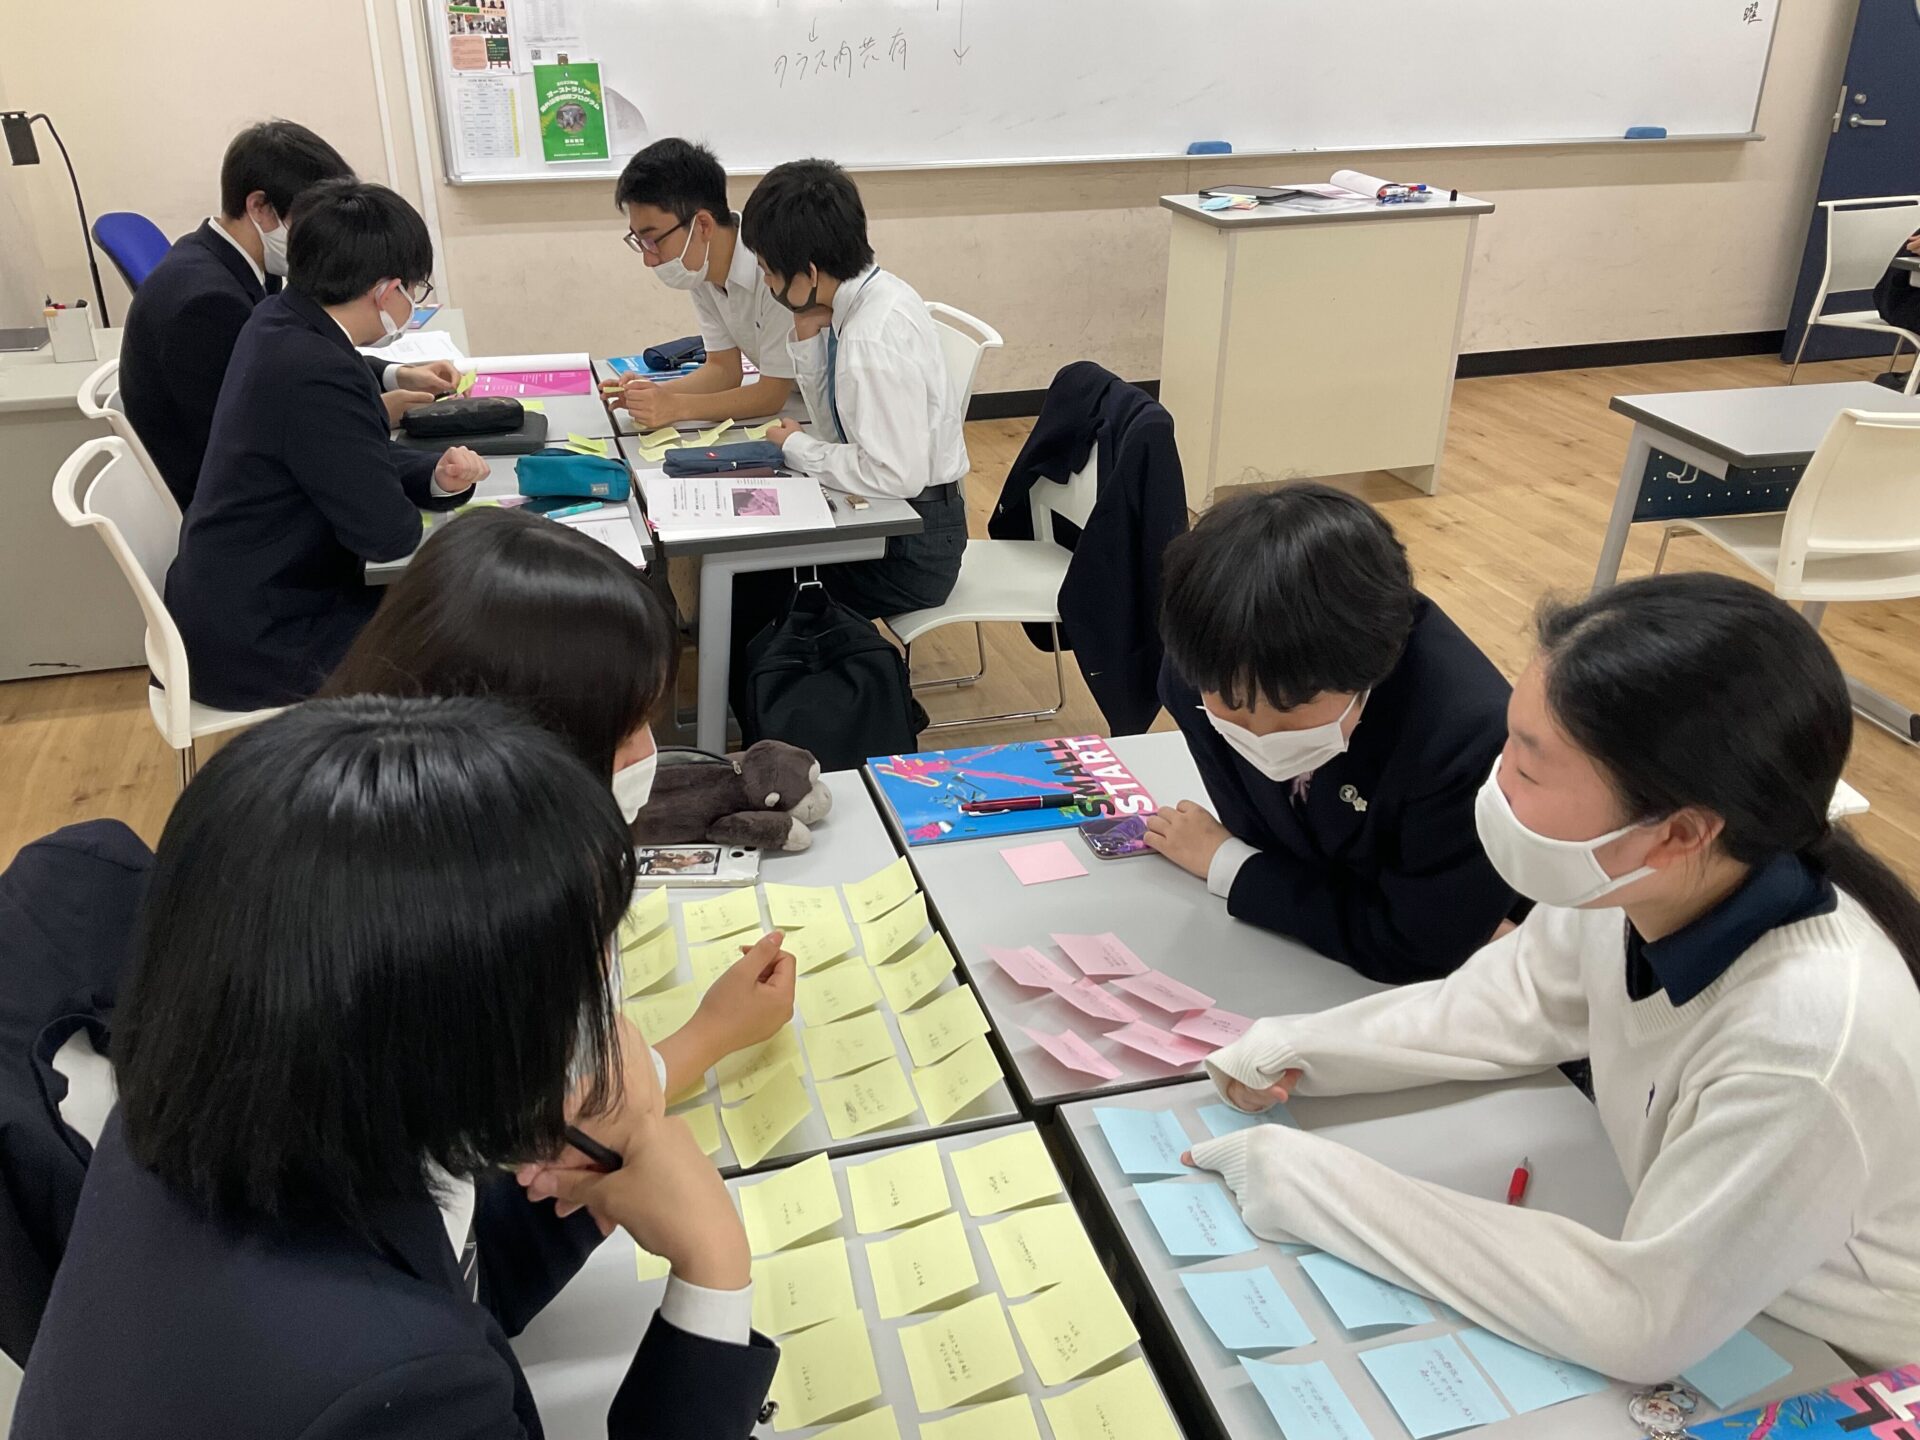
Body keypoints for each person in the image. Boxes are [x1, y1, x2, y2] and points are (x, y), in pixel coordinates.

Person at [1186, 573, 1920, 1376]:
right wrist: (1301, 1047)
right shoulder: (1642, 879)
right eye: (1510, 744)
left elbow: (1637, 1318)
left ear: (1678, 831)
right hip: (1716, 1283)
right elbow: (1518, 996)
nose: (1495, 783)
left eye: (1529, 772)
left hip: (1834, 1361)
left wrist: (1310, 1184)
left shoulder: (1805, 1047)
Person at [12, 697, 780, 1437]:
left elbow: (440, 1272)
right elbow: (412, 1351)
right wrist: (714, 1264)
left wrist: (596, 1176)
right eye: (573, 979)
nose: (594, 1009)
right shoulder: (398, 1385)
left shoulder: (209, 1098)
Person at [322, 506, 798, 1071]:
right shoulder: (480, 935)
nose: (648, 754)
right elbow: (576, 1112)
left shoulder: (382, 811)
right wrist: (714, 1033)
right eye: (622, 732)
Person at [1150, 484, 1519, 983]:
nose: (1260, 734)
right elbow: (1272, 842)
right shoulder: (1200, 667)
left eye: (1292, 709)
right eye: (1232, 709)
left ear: (1372, 668)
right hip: (1291, 957)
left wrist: (1230, 865)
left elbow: (1417, 947)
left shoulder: (1466, 737)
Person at [165, 179, 485, 713]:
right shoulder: (317, 372)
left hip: (235, 603)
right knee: (476, 631)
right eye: (414, 290)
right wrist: (409, 488)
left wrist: (434, 476)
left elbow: (339, 454)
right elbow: (387, 535)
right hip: (269, 638)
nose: (412, 301)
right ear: (386, 292)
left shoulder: (279, 319)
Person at [726, 158, 969, 714]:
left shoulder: (870, 339)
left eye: (769, 272)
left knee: (753, 583)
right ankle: (764, 715)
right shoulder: (867, 298)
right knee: (753, 569)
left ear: (808, 272)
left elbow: (894, 475)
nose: (767, 285)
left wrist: (798, 448)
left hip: (913, 546)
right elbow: (842, 426)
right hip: (905, 516)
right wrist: (808, 339)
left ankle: (788, 726)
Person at [119, 120, 459, 510]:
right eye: (313, 220)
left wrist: (395, 374)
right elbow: (251, 432)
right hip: (237, 505)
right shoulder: (207, 304)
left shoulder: (231, 260)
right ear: (260, 207)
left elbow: (295, 355)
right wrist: (373, 412)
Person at [606, 139, 797, 429]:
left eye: (652, 240)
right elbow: (723, 370)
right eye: (639, 241)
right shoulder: (701, 268)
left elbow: (770, 394)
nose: (648, 259)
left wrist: (675, 407)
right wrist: (651, 394)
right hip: (800, 403)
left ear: (703, 225)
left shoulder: (771, 265)